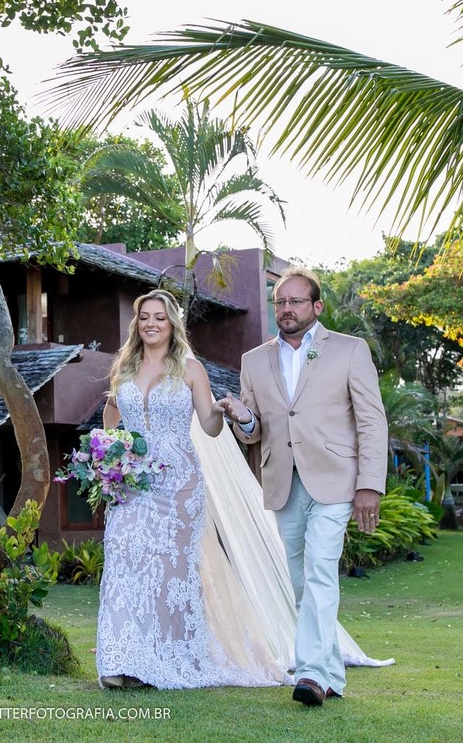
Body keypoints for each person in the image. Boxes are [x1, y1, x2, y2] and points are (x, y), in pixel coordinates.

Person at [97, 288, 389, 691]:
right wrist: (109, 455)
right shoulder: (125, 368)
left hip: (179, 485)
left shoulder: (190, 369)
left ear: (172, 324)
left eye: (159, 317)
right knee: (123, 562)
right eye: (144, 316)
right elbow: (111, 415)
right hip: (132, 484)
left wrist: (224, 413)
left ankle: (166, 661)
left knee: (170, 577)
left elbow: (210, 426)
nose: (151, 323)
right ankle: (121, 658)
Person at [216, 267, 389, 706]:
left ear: (317, 306)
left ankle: (309, 673)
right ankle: (332, 676)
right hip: (282, 482)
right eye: (280, 302)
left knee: (318, 570)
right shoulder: (254, 360)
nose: (286, 309)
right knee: (299, 582)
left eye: (295, 301)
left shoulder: (350, 350)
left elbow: (372, 421)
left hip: (336, 480)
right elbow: (254, 432)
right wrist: (243, 418)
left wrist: (370, 485)